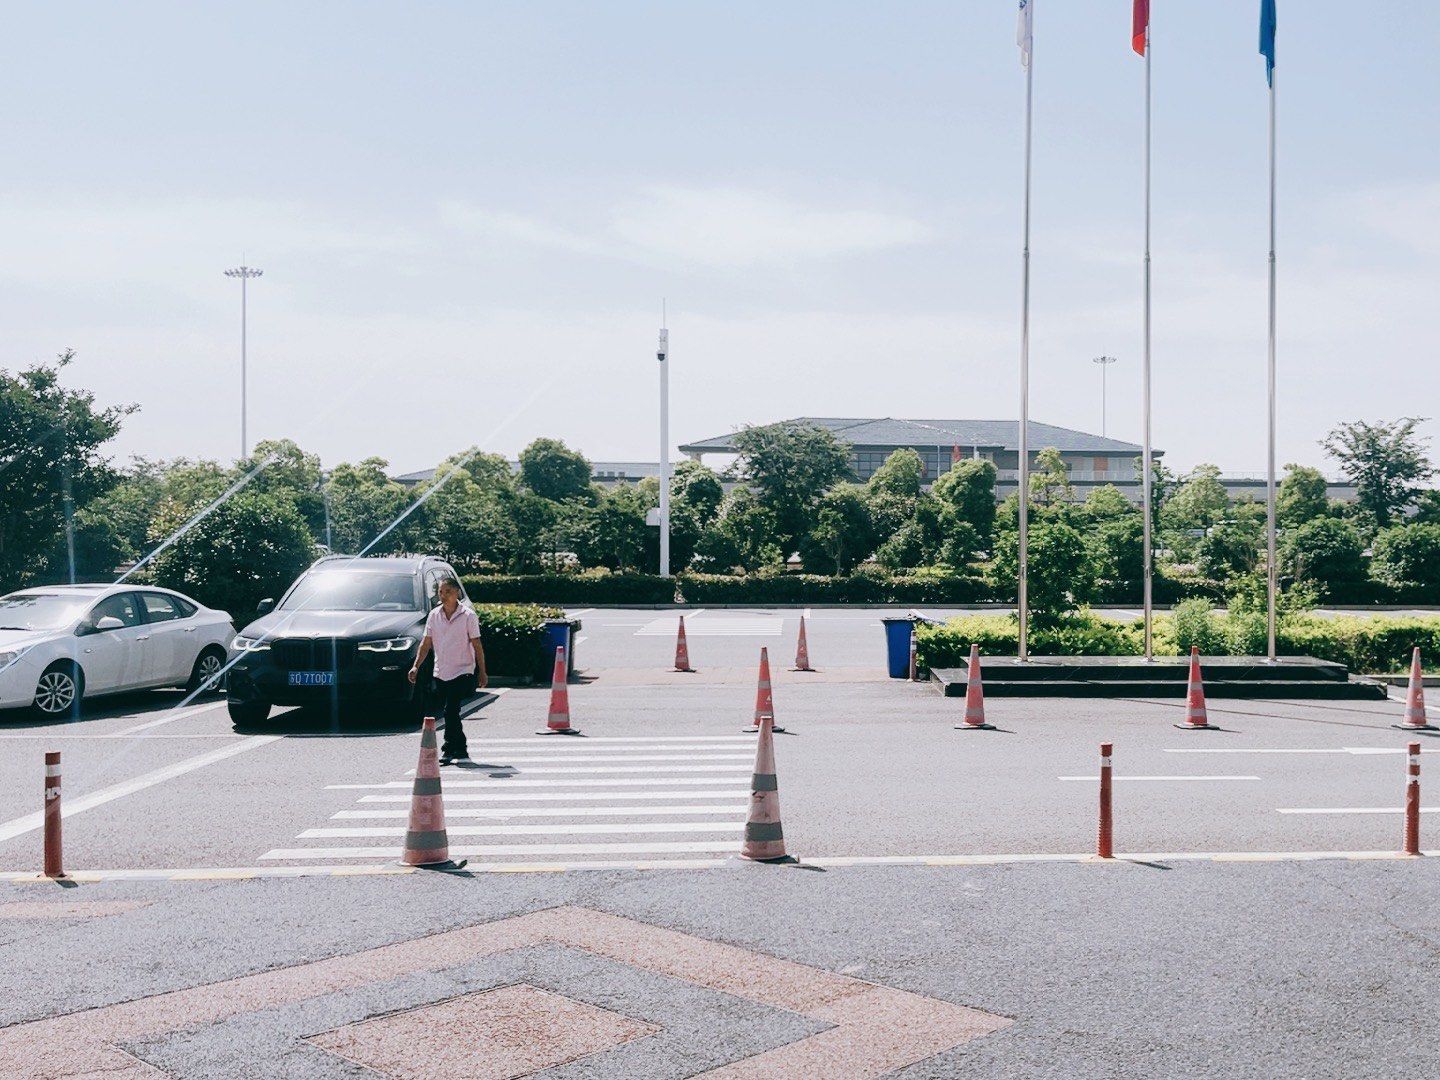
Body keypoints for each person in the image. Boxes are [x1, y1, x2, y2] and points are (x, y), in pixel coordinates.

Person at [409, 575, 488, 764]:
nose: (443, 596)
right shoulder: (434, 615)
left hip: (463, 670)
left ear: (457, 593)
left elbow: (477, 644)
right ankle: (460, 747)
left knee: (450, 710)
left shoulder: (468, 616)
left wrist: (482, 671)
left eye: (448, 592)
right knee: (451, 711)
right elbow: (426, 643)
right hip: (441, 670)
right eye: (441, 592)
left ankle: (447, 749)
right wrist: (415, 666)